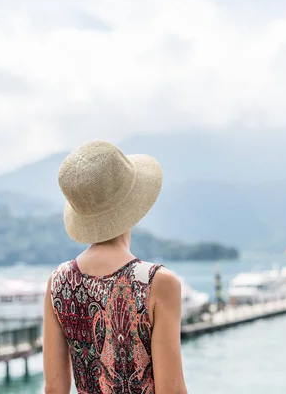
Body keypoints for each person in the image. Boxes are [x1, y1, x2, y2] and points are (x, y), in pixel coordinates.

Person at [43, 140, 188, 394]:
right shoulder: (157, 283)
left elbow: (54, 388)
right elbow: (171, 390)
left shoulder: (58, 282)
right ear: (133, 204)